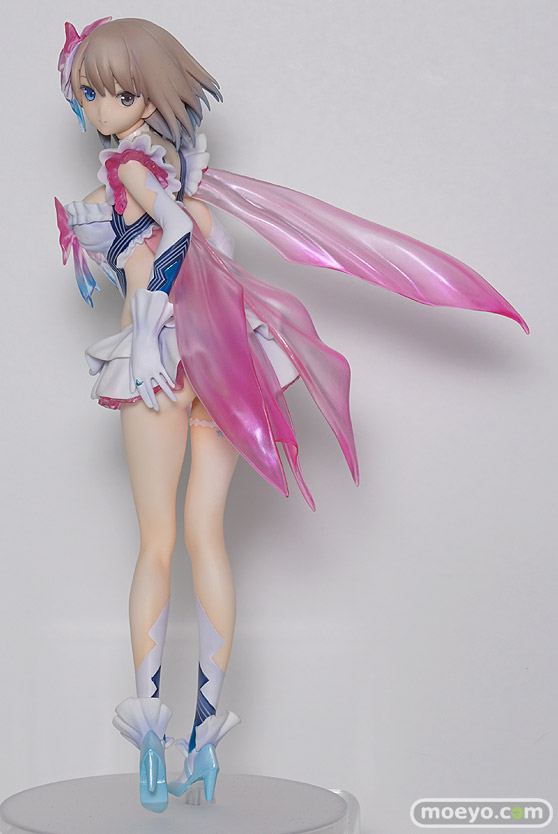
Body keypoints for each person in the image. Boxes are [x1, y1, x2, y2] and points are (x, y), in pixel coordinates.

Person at [55, 16, 527, 813]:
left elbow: (172, 238)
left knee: (158, 545)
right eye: (91, 92)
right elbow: (210, 247)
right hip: (220, 362)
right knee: (206, 538)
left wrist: (145, 318)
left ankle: (152, 752)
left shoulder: (134, 167)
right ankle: (205, 742)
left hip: (159, 363)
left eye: (117, 92)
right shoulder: (187, 172)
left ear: (150, 95)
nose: (101, 108)